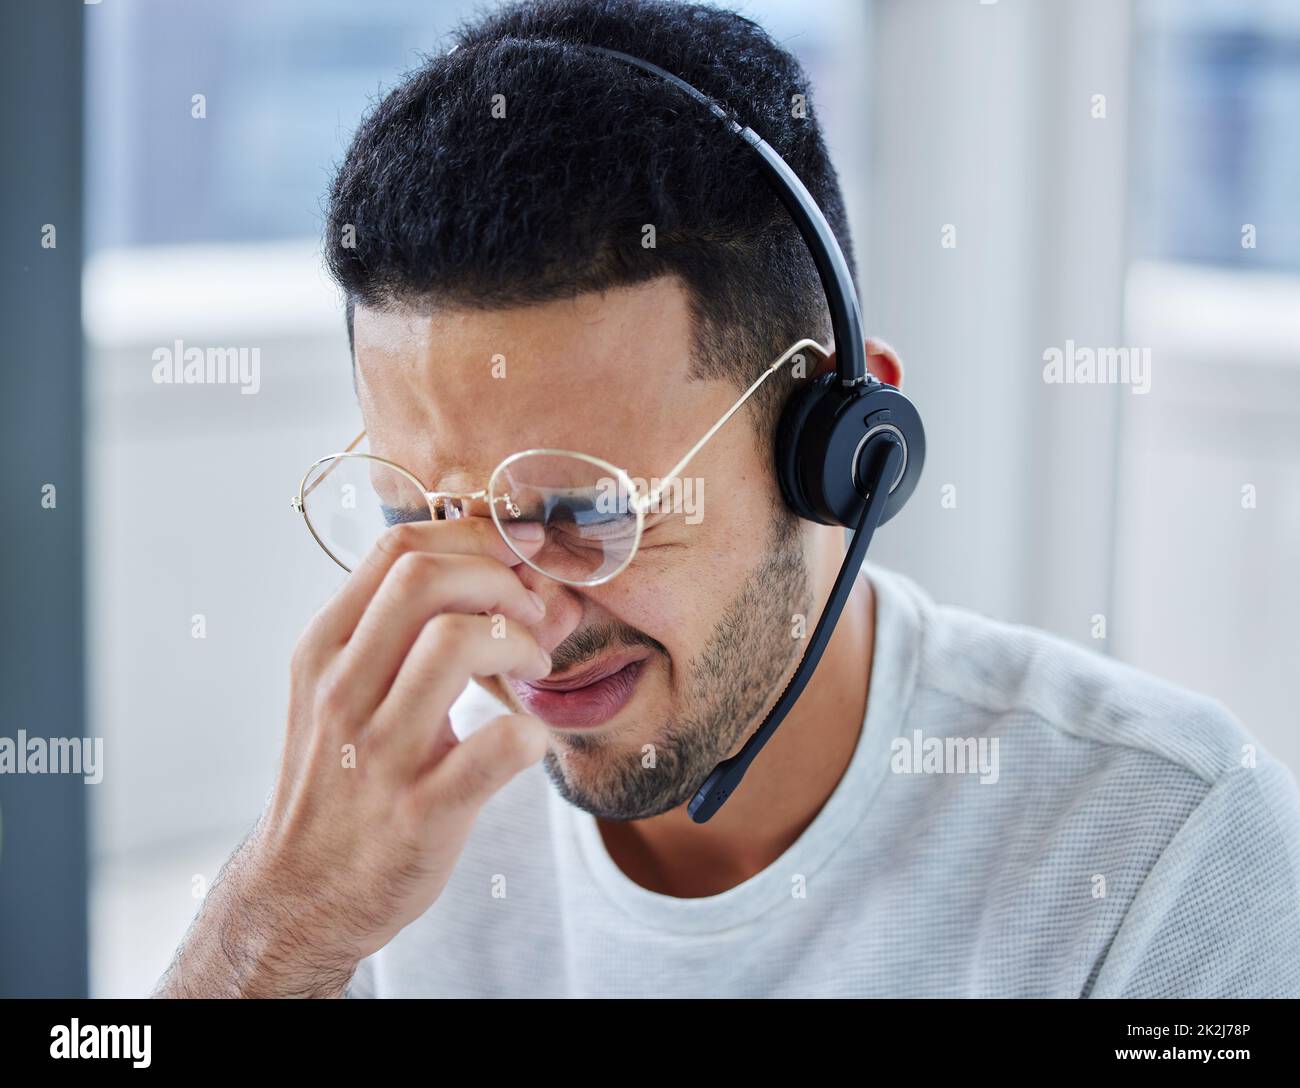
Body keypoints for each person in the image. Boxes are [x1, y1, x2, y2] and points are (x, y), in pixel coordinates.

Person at [155, 0, 1300, 998]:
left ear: (842, 451)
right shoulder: (372, 843)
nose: (527, 623)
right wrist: (272, 927)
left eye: (589, 510)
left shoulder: (1163, 851)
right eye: (433, 517)